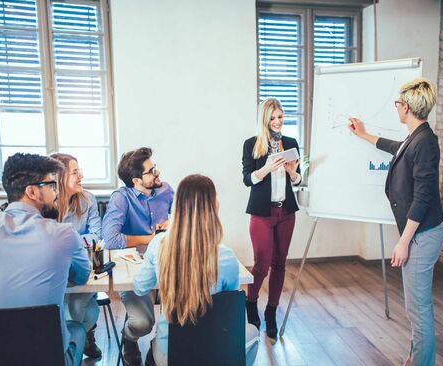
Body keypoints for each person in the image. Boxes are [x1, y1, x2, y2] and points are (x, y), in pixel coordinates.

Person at [0, 153, 91, 366]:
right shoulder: (63, 234)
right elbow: (81, 276)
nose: (56, 192)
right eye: (50, 185)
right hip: (47, 357)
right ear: (31, 191)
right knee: (75, 329)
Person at [349, 78, 443, 366]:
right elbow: (395, 148)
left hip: (422, 235)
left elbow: (424, 197)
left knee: (418, 308)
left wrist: (403, 242)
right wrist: (365, 136)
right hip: (418, 233)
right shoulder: (416, 137)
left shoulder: (425, 142)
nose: (396, 107)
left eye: (398, 103)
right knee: (415, 306)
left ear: (408, 107)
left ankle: (421, 362)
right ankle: (417, 357)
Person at [134, 174, 259, 366]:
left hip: (170, 356)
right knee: (252, 332)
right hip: (213, 352)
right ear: (212, 207)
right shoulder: (226, 256)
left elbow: (140, 288)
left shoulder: (159, 244)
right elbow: (228, 307)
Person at [102, 147, 174, 366]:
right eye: (151, 171)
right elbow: (111, 239)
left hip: (166, 264)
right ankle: (129, 337)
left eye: (155, 167)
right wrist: (150, 238)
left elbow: (182, 218)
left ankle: (160, 346)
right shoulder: (120, 199)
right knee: (143, 323)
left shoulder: (166, 190)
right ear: (136, 180)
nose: (157, 173)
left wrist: (171, 223)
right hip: (135, 268)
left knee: (183, 315)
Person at [241, 98, 301, 341]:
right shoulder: (252, 145)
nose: (277, 122)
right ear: (264, 119)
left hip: (286, 212)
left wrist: (291, 172)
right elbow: (247, 179)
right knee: (261, 264)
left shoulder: (291, 143)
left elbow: (298, 181)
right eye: (273, 118)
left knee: (280, 263)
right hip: (262, 214)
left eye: (280, 117)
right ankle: (251, 302)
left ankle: (272, 311)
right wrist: (267, 167)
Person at [50, 152, 102, 359]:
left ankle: (71, 347)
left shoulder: (88, 199)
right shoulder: (47, 205)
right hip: (55, 272)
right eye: (75, 172)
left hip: (84, 267)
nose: (81, 176)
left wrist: (67, 242)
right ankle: (75, 343)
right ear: (59, 178)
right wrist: (77, 241)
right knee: (66, 308)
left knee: (78, 306)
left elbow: (98, 235)